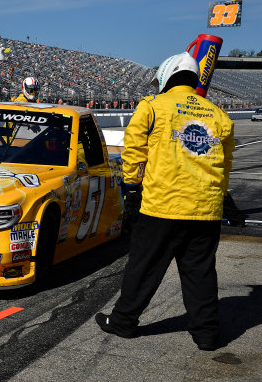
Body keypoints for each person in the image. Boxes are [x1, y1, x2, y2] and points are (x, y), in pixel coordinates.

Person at [95, 52, 235, 351]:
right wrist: (223, 197)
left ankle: (123, 323)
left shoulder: (153, 106)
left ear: (166, 76)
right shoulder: (217, 113)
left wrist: (131, 189)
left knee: (144, 267)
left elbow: (134, 151)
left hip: (162, 205)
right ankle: (207, 334)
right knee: (200, 272)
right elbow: (226, 163)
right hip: (206, 209)